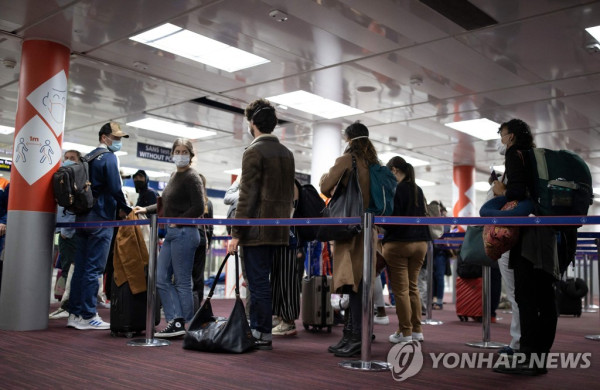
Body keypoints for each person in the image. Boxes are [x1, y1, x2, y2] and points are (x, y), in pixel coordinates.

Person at [227, 99, 295, 350]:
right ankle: (263, 329)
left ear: (252, 123)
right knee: (266, 282)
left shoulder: (253, 151)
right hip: (279, 230)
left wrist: (236, 233)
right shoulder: (287, 154)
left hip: (256, 230)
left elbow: (247, 196)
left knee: (257, 284)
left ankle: (260, 331)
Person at [491, 119, 557, 376]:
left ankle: (527, 356)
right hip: (547, 231)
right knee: (545, 296)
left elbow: (517, 191)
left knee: (526, 295)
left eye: (502, 134)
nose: (501, 138)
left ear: (512, 136)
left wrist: (500, 190)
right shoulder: (535, 157)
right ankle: (539, 358)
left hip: (528, 232)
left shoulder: (514, 154)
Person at [135, 138, 204, 338]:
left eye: (184, 152)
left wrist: (178, 220)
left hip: (185, 232)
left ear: (191, 156)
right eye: (177, 151)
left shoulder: (192, 177)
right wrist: (145, 209)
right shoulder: (175, 175)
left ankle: (183, 323)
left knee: (182, 281)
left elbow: (199, 207)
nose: (180, 155)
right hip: (174, 233)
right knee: (160, 277)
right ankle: (175, 320)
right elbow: (164, 202)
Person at [320, 121, 377, 357]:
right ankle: (352, 334)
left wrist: (326, 175)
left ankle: (355, 338)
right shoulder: (374, 163)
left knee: (353, 285)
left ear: (347, 138)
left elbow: (325, 185)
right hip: (369, 229)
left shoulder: (348, 160)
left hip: (350, 230)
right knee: (361, 284)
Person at [68, 122, 132, 330]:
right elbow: (115, 187)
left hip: (83, 218)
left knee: (81, 267)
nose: (118, 142)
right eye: (116, 138)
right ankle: (88, 315)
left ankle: (75, 314)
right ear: (104, 137)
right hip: (102, 218)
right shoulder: (110, 157)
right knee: (94, 269)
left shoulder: (88, 157)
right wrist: (126, 209)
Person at [382, 156, 431, 344]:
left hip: (398, 244)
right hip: (420, 244)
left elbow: (391, 219)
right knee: (413, 287)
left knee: (401, 290)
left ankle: (405, 332)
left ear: (394, 170)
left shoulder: (395, 189)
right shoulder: (417, 189)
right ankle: (417, 330)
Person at [49, 150, 82, 319]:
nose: (68, 161)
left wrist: (68, 231)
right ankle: (67, 304)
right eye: (66, 158)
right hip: (63, 233)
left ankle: (70, 305)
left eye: (72, 159)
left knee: (73, 270)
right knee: (66, 269)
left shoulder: (80, 181)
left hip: (75, 232)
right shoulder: (62, 181)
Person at [192, 173, 213, 311]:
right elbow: (210, 227)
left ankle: (187, 305)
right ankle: (196, 305)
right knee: (198, 275)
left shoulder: (190, 201)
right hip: (201, 239)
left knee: (185, 274)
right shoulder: (207, 202)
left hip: (191, 238)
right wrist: (208, 243)